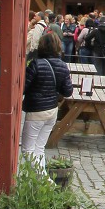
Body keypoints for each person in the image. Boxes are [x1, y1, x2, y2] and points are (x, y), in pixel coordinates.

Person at [21, 32, 72, 168]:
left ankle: (46, 182)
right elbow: (68, 91)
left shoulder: (35, 64)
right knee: (39, 149)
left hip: (36, 111)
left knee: (27, 150)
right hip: (52, 110)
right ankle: (41, 182)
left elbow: (23, 88)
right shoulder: (63, 66)